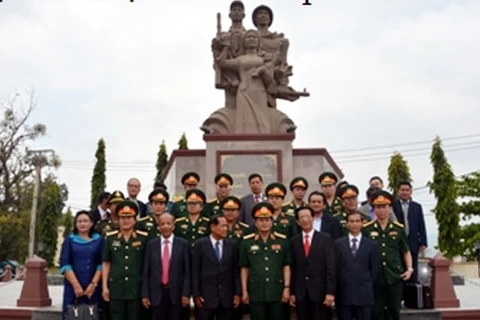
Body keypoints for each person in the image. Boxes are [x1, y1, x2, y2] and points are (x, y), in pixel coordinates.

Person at [363, 191, 413, 320]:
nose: (381, 210)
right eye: (378, 207)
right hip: (375, 275)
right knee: (376, 310)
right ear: (374, 210)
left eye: (384, 207)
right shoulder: (367, 229)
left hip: (394, 274)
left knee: (394, 309)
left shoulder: (398, 228)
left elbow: (405, 251)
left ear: (390, 209)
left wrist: (409, 269)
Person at [239, 202, 291, 319]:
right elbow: (244, 268)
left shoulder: (282, 240)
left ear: (272, 222)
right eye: (261, 220)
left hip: (276, 290)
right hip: (256, 291)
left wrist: (286, 288)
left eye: (267, 220)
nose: (264, 223)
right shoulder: (247, 242)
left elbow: (286, 266)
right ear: (255, 223)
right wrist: (244, 291)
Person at [102, 200, 149, 320]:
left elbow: (147, 264)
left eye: (129, 217)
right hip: (117, 288)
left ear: (134, 219)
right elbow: (107, 263)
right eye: (123, 217)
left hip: (136, 289)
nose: (126, 220)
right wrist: (104, 287)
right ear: (118, 219)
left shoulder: (143, 238)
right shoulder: (110, 238)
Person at [289, 206, 336, 320]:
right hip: (301, 293)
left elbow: (331, 267)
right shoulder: (293, 241)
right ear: (297, 221)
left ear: (313, 218)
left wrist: (330, 292)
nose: (305, 220)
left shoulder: (325, 239)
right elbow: (293, 269)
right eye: (302, 217)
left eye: (308, 217)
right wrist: (292, 292)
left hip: (320, 292)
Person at [142, 213, 191, 320]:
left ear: (173, 226)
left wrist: (186, 293)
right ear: (158, 227)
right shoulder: (151, 245)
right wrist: (145, 294)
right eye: (162, 224)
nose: (165, 226)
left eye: (168, 223)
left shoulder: (183, 244)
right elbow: (146, 271)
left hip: (176, 294)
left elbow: (187, 272)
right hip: (156, 294)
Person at [192, 215, 241, 320]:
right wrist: (196, 294)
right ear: (213, 227)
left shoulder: (232, 245)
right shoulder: (200, 244)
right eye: (223, 226)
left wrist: (237, 293)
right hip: (206, 296)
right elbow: (195, 271)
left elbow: (235, 272)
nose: (226, 229)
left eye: (227, 226)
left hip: (226, 297)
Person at [335, 211, 380, 320]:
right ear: (347, 224)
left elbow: (374, 270)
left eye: (357, 221)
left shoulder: (372, 245)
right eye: (352, 221)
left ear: (362, 223)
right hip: (344, 295)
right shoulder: (338, 244)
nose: (354, 224)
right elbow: (336, 268)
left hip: (364, 295)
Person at [60, 211, 104, 320]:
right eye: (79, 221)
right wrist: (76, 285)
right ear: (75, 224)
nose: (82, 224)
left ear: (91, 223)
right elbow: (65, 264)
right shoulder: (70, 240)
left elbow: (102, 264)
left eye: (85, 221)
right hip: (73, 287)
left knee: (93, 314)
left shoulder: (99, 240)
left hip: (93, 287)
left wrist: (93, 284)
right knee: (71, 314)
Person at [392, 181, 428, 283]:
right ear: (398, 191)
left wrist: (423, 242)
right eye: (402, 190)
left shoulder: (417, 206)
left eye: (407, 190)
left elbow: (421, 225)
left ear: (411, 191)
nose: (405, 192)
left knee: (413, 267)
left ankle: (412, 291)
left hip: (413, 241)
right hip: (397, 242)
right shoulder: (393, 205)